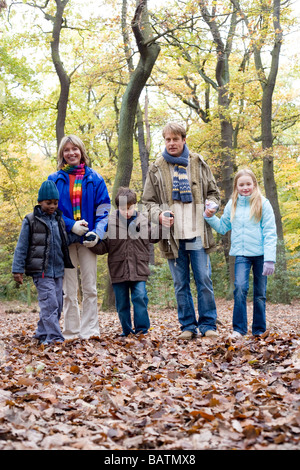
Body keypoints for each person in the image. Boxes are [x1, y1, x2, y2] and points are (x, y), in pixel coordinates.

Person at [142, 122, 220, 340]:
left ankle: (208, 325)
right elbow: (147, 202)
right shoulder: (156, 167)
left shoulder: (198, 162)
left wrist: (212, 205)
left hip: (197, 233)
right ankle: (187, 326)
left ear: (184, 140)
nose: (171, 143)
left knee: (204, 279)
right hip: (173, 238)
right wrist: (158, 215)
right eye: (167, 139)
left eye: (175, 139)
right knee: (180, 283)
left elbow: (214, 193)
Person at [48, 135, 110, 340]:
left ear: (81, 151)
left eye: (75, 149)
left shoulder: (95, 178)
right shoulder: (53, 179)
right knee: (69, 290)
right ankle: (71, 332)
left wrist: (98, 233)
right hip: (64, 239)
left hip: (88, 240)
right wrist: (71, 225)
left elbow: (104, 209)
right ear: (62, 154)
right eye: (66, 150)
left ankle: (90, 330)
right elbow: (49, 210)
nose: (71, 153)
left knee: (90, 287)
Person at [204, 168, 277, 339]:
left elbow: (270, 232)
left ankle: (259, 330)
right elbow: (223, 227)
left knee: (260, 294)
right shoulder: (233, 204)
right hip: (241, 255)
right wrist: (209, 216)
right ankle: (239, 330)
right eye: (241, 185)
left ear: (254, 185)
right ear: (236, 187)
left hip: (261, 256)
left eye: (248, 184)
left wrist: (270, 259)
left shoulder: (263, 203)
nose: (245, 187)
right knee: (239, 288)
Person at [12, 180, 74, 345]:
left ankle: (42, 333)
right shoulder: (31, 220)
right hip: (41, 270)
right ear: (40, 202)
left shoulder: (59, 220)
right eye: (48, 203)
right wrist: (17, 269)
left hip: (58, 270)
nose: (52, 206)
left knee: (58, 304)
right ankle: (54, 337)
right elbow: (22, 246)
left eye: (55, 203)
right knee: (49, 303)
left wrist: (81, 234)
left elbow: (64, 241)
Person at [91, 187, 158, 337]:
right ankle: (126, 330)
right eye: (123, 208)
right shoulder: (110, 222)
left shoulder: (143, 220)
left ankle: (142, 329)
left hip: (139, 268)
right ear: (117, 207)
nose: (127, 211)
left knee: (140, 297)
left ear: (134, 205)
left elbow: (153, 236)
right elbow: (104, 247)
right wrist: (92, 243)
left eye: (130, 207)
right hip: (118, 269)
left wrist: (164, 225)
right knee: (121, 303)